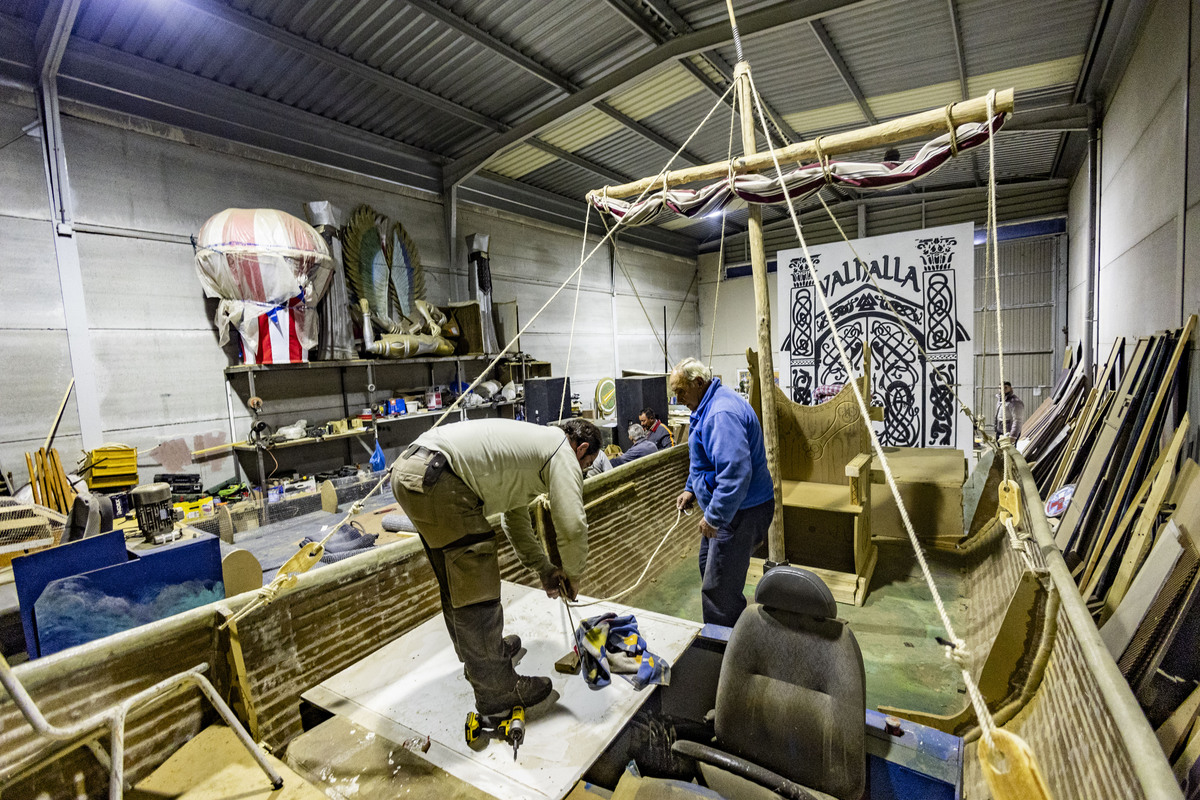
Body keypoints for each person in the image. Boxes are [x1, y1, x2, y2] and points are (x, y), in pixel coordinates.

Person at [390, 417, 600, 717]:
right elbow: (573, 525)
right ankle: (496, 689)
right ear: (580, 450)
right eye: (586, 465)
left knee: (456, 578)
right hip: (441, 477)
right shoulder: (561, 451)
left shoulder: (532, 450)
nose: (583, 472)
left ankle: (480, 659)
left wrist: (543, 567)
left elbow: (513, 518)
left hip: (413, 469)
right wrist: (574, 574)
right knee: (475, 575)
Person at [670, 357, 774, 627]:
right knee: (710, 570)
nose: (677, 398)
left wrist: (714, 516)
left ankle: (727, 649)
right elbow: (705, 458)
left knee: (720, 589)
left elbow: (735, 472)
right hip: (732, 508)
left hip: (741, 511)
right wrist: (691, 489)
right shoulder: (707, 404)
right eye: (674, 392)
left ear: (699, 383)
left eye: (680, 391)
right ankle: (729, 632)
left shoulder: (720, 413)